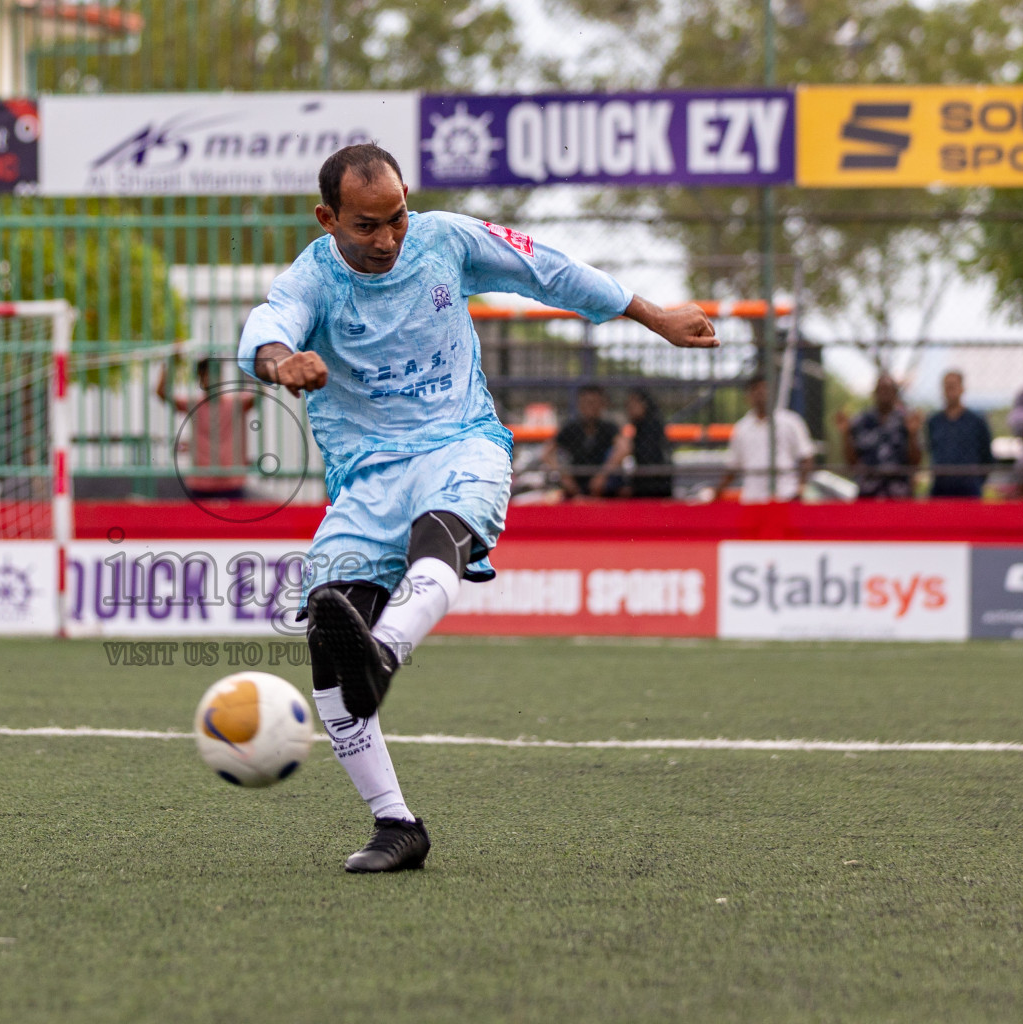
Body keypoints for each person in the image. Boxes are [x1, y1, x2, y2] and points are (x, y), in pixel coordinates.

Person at [238, 144, 716, 872]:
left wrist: (654, 317)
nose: (388, 239)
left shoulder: (447, 240)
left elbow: (549, 270)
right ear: (328, 217)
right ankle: (396, 823)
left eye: (396, 218)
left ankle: (387, 652)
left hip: (460, 442)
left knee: (443, 535)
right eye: (367, 226)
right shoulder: (311, 278)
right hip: (366, 477)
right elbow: (267, 326)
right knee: (330, 634)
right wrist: (281, 360)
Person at [157, 352, 257, 500]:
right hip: (200, 482)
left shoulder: (236, 403)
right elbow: (163, 393)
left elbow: (261, 392)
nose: (210, 379)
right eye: (205, 375)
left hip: (231, 481)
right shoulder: (195, 404)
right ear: (199, 379)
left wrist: (252, 353)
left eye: (214, 375)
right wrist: (171, 362)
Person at [716, 375, 815, 503]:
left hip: (785, 496)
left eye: (764, 388)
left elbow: (806, 456)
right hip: (753, 499)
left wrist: (800, 488)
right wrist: (717, 493)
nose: (760, 393)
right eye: (755, 389)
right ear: (747, 396)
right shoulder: (742, 428)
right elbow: (733, 466)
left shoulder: (790, 422)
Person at [836, 372, 922, 499]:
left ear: (895, 393)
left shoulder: (907, 421)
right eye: (881, 389)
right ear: (874, 393)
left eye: (888, 389)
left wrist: (913, 434)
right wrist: (846, 434)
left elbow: (915, 462)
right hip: (868, 492)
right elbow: (851, 463)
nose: (884, 393)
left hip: (899, 494)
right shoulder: (861, 421)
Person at [594, 387, 673, 498]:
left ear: (644, 404)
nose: (628, 408)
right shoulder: (641, 427)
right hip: (651, 486)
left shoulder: (651, 427)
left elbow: (648, 460)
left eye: (632, 404)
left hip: (653, 488)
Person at [542, 385, 620, 499]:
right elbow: (547, 453)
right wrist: (564, 477)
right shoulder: (571, 428)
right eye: (586, 403)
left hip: (603, 489)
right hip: (575, 487)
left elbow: (624, 448)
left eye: (594, 403)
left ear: (602, 404)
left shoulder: (609, 428)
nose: (590, 407)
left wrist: (603, 475)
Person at [925, 370, 994, 499]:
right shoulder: (934, 421)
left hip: (969, 488)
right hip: (941, 487)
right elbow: (931, 449)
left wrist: (977, 480)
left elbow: (987, 456)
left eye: (953, 386)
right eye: (946, 386)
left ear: (962, 388)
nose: (949, 390)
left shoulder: (976, 421)